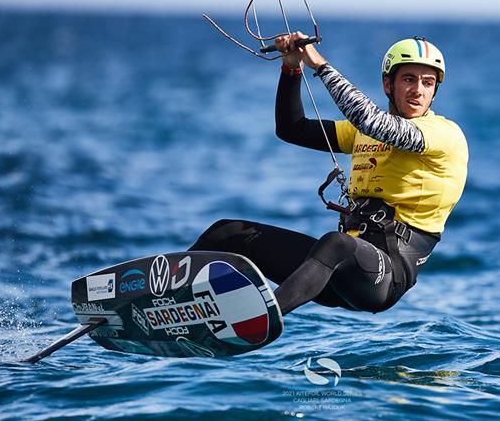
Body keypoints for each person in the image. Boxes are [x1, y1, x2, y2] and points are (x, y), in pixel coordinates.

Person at [189, 33, 468, 316]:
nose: (418, 90)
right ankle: (168, 303)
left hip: (384, 278)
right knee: (226, 233)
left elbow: (371, 121)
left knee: (335, 244)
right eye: (409, 79)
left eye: (428, 82)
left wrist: (320, 66)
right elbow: (291, 128)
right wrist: (291, 68)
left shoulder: (443, 135)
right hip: (335, 272)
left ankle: (260, 319)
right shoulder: (362, 133)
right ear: (388, 84)